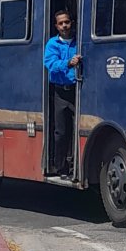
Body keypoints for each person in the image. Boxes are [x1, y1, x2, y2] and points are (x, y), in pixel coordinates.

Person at [43, 10, 82, 178]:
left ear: (71, 23)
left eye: (67, 22)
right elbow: (50, 64)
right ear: (56, 26)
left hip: (76, 91)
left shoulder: (79, 42)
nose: (64, 25)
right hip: (59, 92)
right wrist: (68, 63)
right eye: (61, 23)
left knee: (76, 131)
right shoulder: (53, 44)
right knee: (60, 132)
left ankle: (74, 167)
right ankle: (61, 168)